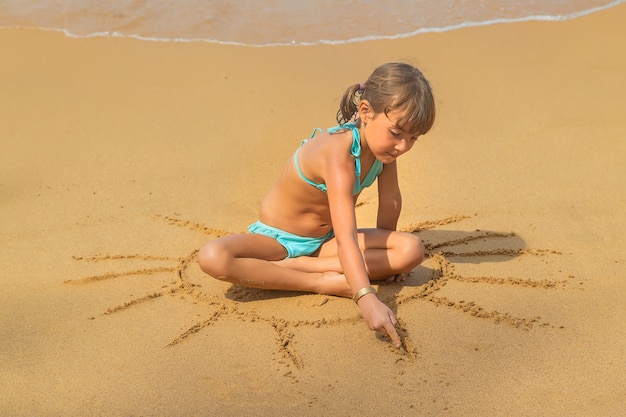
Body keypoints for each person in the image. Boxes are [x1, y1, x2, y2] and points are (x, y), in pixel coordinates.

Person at [198, 62, 435, 348]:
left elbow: (391, 201)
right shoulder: (337, 154)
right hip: (279, 241)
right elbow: (347, 236)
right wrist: (365, 296)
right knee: (212, 257)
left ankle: (301, 267)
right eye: (397, 133)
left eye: (413, 139)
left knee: (410, 249)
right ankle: (317, 281)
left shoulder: (384, 150)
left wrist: (387, 253)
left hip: (326, 243)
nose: (403, 146)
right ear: (365, 112)